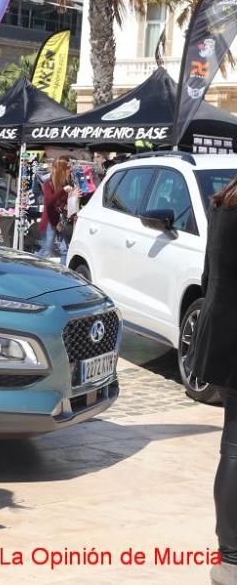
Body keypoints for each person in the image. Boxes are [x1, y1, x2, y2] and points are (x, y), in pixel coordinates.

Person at [190, 176, 237, 585]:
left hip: (223, 337)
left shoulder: (222, 205)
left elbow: (209, 277)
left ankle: (230, 555)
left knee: (233, 447)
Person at [37, 155, 76, 265]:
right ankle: (28, 266)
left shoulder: (69, 183)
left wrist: (75, 197)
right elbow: (49, 202)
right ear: (62, 169)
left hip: (63, 220)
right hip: (50, 220)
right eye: (68, 168)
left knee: (65, 249)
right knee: (46, 250)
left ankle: (63, 274)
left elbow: (66, 203)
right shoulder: (48, 183)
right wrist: (63, 191)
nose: (70, 170)